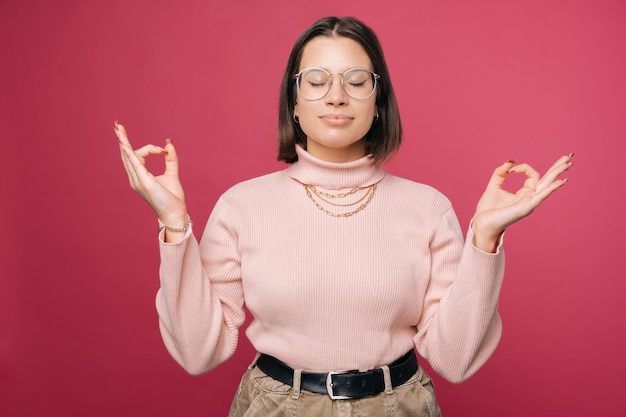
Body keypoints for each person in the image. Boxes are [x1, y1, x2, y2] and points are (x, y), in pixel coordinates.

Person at [116, 16, 573, 417]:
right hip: (276, 407)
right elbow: (198, 352)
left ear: (378, 102)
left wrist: (486, 238)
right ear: (293, 103)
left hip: (399, 407)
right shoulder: (242, 205)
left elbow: (455, 361)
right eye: (316, 81)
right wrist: (174, 223)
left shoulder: (427, 208)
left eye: (356, 81)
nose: (336, 96)